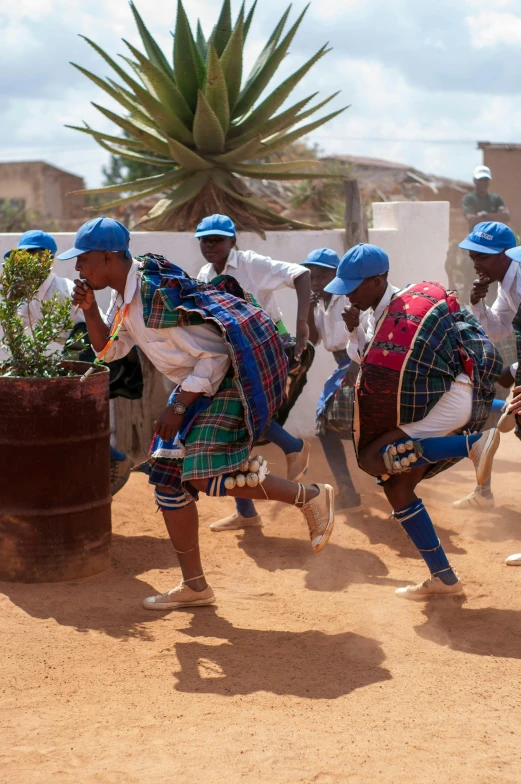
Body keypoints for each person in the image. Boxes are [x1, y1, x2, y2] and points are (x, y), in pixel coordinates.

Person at [64, 217, 335, 611]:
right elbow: (110, 350)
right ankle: (195, 587)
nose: (77, 268)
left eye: (83, 259)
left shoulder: (155, 292)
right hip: (195, 384)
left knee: (207, 476)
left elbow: (214, 355)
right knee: (169, 484)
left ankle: (310, 497)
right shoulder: (123, 295)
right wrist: (90, 311)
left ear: (107, 258)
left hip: (226, 378)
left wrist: (177, 406)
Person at [324, 243, 502, 599]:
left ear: (377, 281)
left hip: (451, 400)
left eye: (355, 286)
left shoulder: (406, 311)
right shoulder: (380, 311)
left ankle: (472, 444)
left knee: (373, 457)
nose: (349, 294)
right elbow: (366, 360)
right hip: (442, 400)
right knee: (397, 488)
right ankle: (445, 578)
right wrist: (354, 330)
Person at [195, 214, 313, 532]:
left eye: (217, 239)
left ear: (233, 241)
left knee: (243, 414)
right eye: (205, 239)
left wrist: (303, 323)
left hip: (268, 343)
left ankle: (294, 447)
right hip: (236, 351)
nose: (210, 245)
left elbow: (301, 274)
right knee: (236, 426)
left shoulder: (250, 263)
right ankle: (246, 512)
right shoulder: (205, 274)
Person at [3, 229, 134, 496]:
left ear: (48, 259)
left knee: (65, 424)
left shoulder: (67, 290)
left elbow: (86, 338)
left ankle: (113, 460)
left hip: (62, 377)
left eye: (35, 255)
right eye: (23, 256)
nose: (28, 261)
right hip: (25, 373)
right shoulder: (11, 293)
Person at [451, 221, 518, 509]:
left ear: (507, 253)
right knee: (489, 414)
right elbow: (497, 329)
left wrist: (513, 371)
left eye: (483, 257)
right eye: (473, 257)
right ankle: (483, 492)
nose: (477, 264)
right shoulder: (507, 282)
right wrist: (478, 305)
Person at [303, 247, 361, 512]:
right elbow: (314, 340)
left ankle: (354, 488)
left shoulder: (347, 298)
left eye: (321, 276)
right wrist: (308, 309)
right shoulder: (320, 303)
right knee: (327, 429)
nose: (315, 282)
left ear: (335, 275)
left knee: (335, 426)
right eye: (312, 277)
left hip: (356, 364)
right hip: (341, 366)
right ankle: (347, 489)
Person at [462, 166, 510, 231]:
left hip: (493, 237)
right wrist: (495, 217)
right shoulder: (469, 199)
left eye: (486, 180)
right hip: (476, 237)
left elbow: (505, 217)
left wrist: (484, 215)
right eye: (480, 180)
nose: (483, 183)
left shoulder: (496, 199)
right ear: (474, 181)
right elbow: (471, 220)